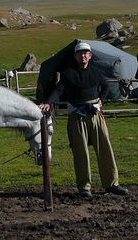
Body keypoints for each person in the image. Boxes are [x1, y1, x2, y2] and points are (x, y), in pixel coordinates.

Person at [39, 42, 128, 198]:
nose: (83, 56)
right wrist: (48, 102)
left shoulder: (96, 71)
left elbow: (105, 86)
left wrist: (101, 100)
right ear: (75, 56)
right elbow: (58, 91)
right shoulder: (68, 74)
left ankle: (112, 184)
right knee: (81, 153)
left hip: (95, 115)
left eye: (86, 53)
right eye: (80, 53)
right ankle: (84, 187)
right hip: (77, 116)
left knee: (105, 149)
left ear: (90, 56)